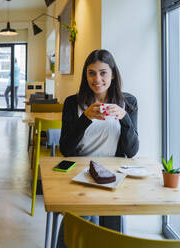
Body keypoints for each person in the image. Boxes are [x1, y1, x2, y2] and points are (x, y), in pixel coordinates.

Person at [57, 49, 139, 247]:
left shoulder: (128, 102)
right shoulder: (72, 103)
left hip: (114, 173)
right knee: (78, 224)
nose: (97, 79)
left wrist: (125, 118)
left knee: (111, 229)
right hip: (79, 173)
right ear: (85, 76)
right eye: (91, 73)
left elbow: (132, 151)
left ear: (112, 74)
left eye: (103, 72)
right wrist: (85, 118)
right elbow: (66, 149)